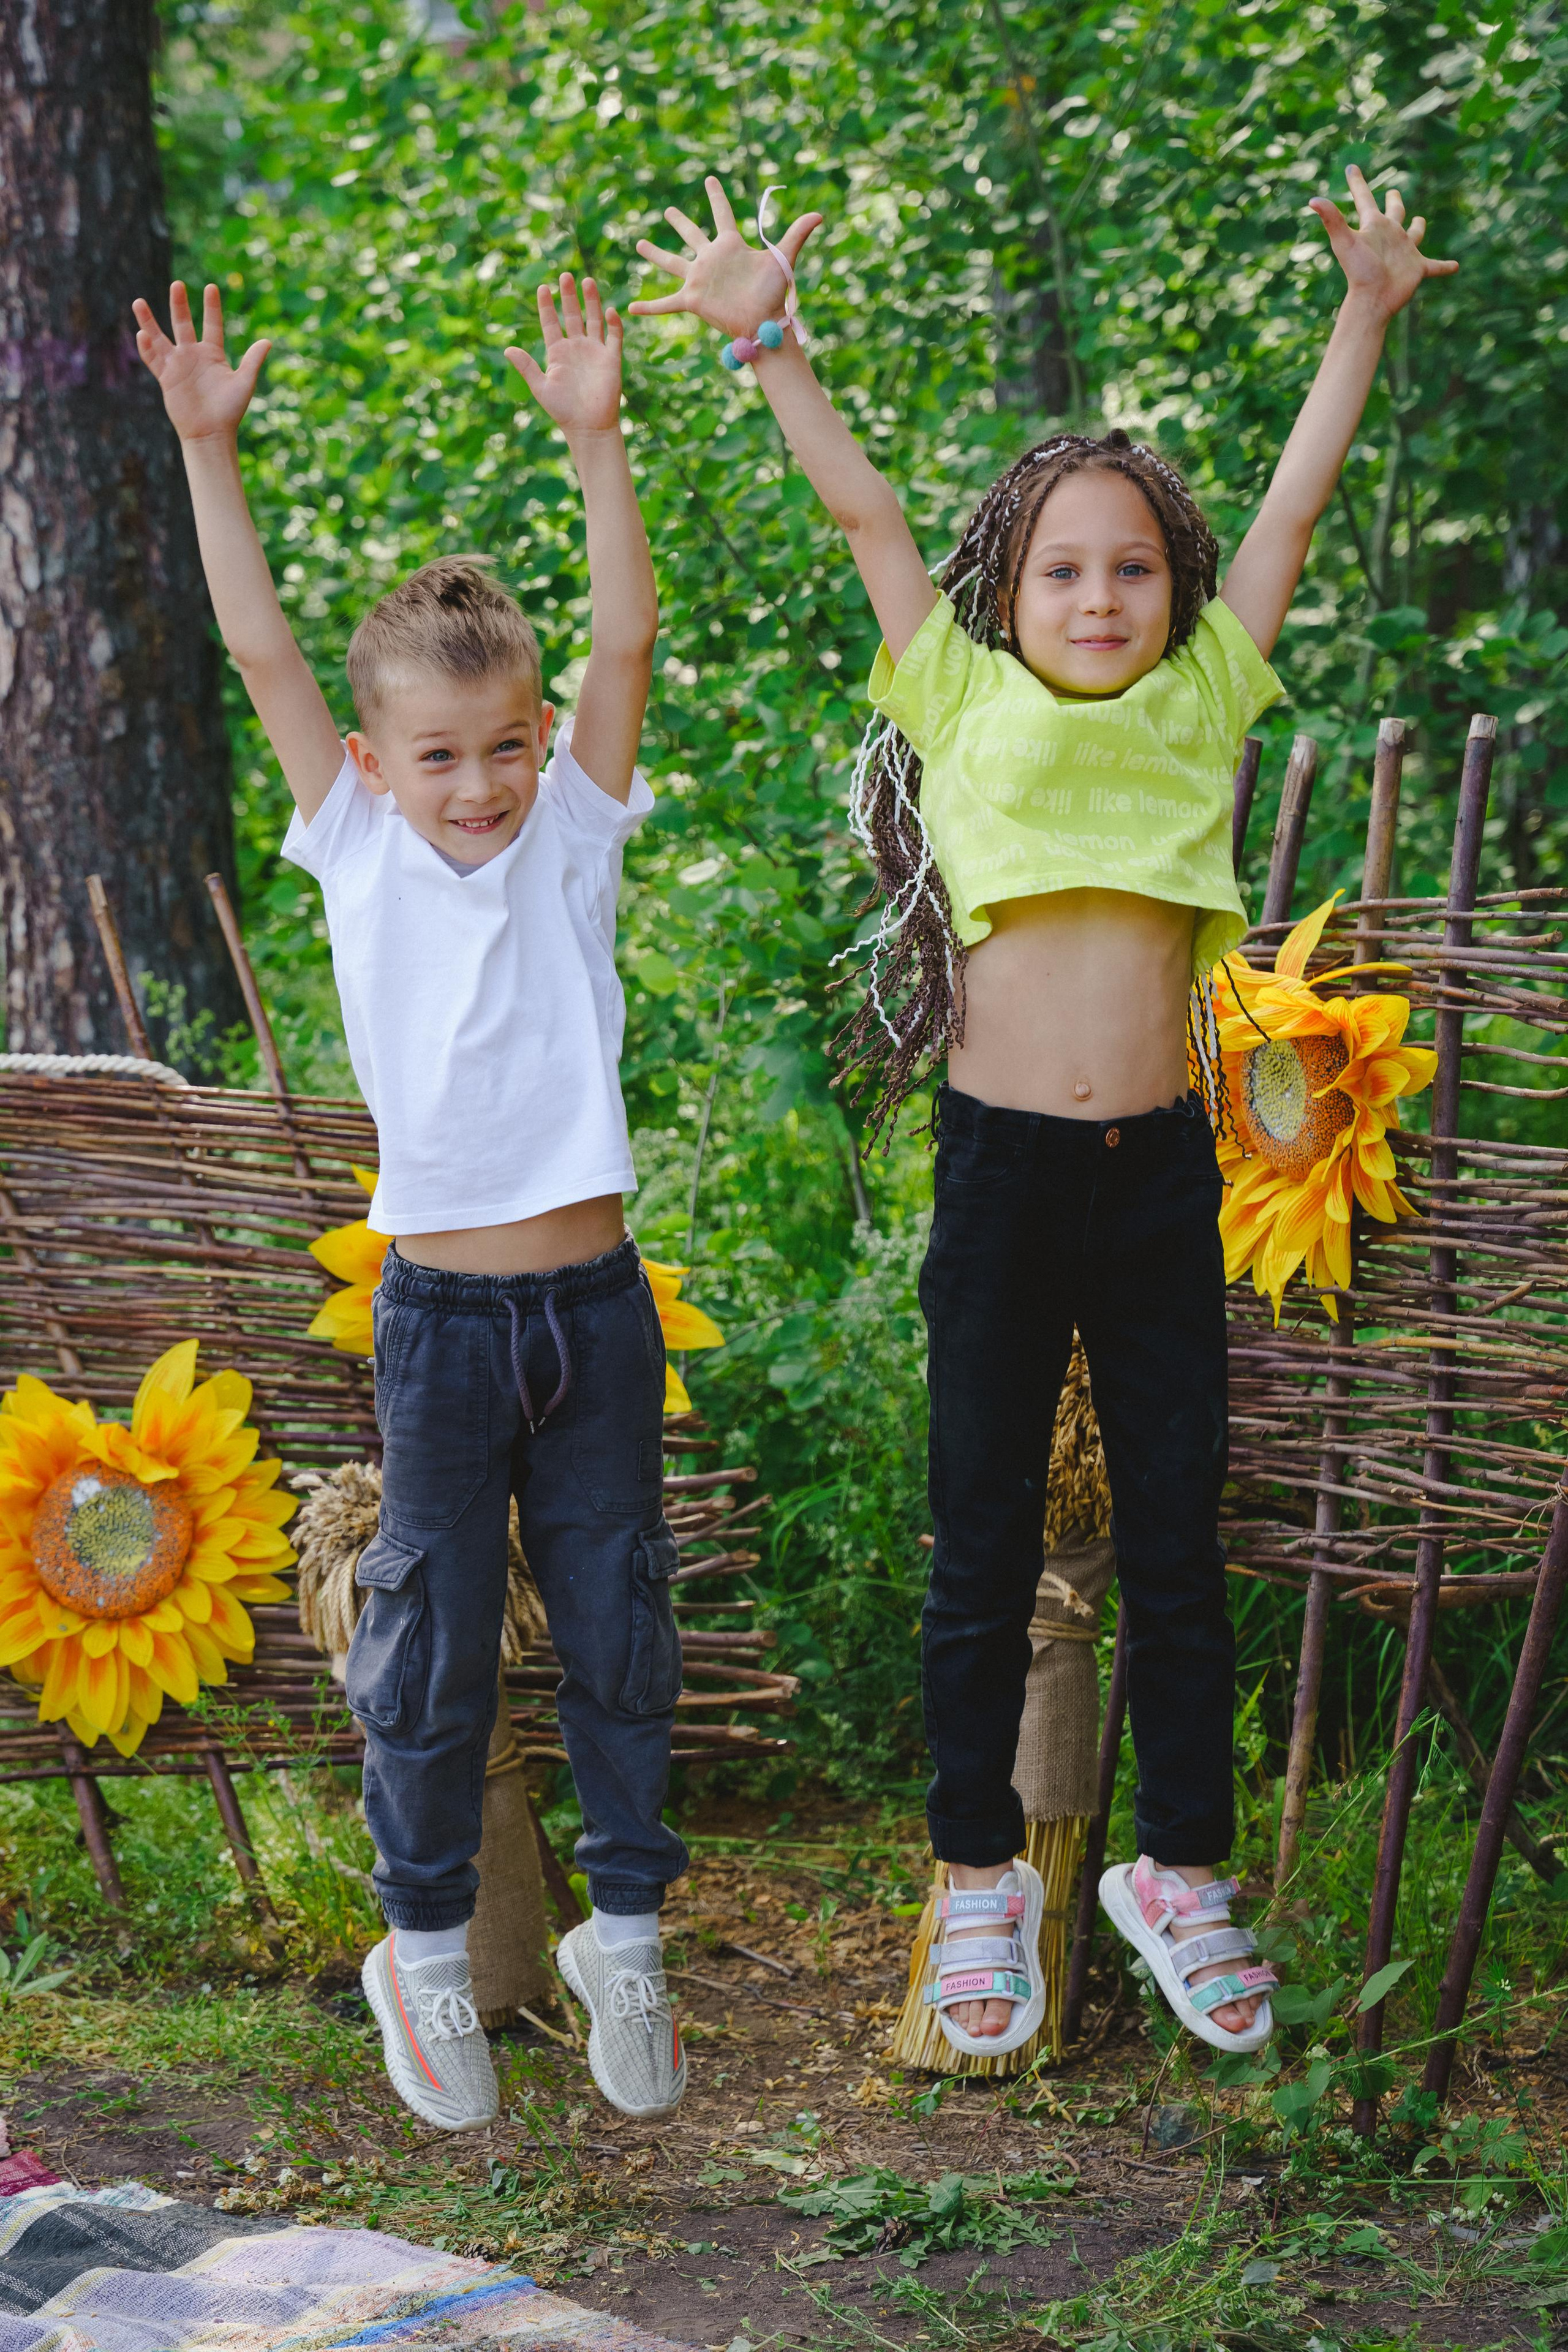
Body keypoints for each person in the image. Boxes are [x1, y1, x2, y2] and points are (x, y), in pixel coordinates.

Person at [630, 167, 1455, 2056]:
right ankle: (976, 1876)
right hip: (1002, 1178)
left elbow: (1299, 504)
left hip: (1160, 1175)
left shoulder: (1206, 696)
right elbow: (860, 503)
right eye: (1065, 569)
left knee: (1178, 1536)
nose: (1102, 594)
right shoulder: (952, 687)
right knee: (984, 1535)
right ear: (1008, 590)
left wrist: (1364, 316)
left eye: (1134, 566)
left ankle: (1183, 1871)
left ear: (1175, 589)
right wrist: (768, 336)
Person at [134, 272, 687, 2125]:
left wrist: (597, 439)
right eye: (440, 755)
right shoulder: (360, 841)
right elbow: (267, 653)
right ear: (377, 767)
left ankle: (631, 1936)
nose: (480, 783)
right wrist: (208, 447)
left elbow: (622, 642)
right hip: (444, 1323)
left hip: (598, 1316)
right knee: (432, 1631)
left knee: (617, 1623)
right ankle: (428, 1956)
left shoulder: (576, 831)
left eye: (504, 746)